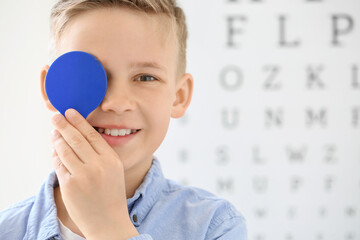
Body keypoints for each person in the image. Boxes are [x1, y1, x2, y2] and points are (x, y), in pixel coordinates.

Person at [0, 1, 247, 239]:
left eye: (145, 78)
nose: (117, 102)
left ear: (179, 96)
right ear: (51, 87)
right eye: (90, 75)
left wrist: (108, 228)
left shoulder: (216, 226)